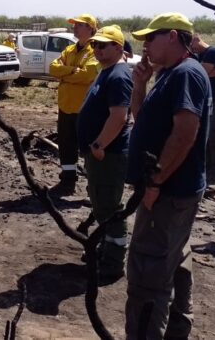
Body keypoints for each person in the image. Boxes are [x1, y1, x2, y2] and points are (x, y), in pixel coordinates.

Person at [124, 13, 210, 340]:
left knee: (148, 274)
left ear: (173, 36)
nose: (144, 45)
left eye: (151, 38)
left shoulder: (186, 74)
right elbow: (142, 119)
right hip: (170, 191)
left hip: (168, 192)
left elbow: (185, 133)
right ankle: (177, 331)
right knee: (176, 259)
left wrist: (156, 182)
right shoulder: (169, 75)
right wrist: (140, 86)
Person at [76, 25, 132, 279]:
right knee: (100, 202)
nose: (96, 49)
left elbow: (119, 116)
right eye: (94, 45)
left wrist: (99, 145)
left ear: (118, 47)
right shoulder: (107, 72)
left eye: (102, 45)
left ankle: (113, 262)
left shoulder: (119, 76)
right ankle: (106, 248)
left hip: (108, 154)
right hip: (99, 152)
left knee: (109, 205)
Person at [47, 13, 100, 195]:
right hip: (65, 105)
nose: (75, 27)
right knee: (66, 145)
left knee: (87, 148)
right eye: (74, 25)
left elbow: (88, 74)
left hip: (85, 109)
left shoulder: (95, 50)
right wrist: (71, 71)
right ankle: (67, 181)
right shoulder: (69, 50)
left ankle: (92, 187)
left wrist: (65, 75)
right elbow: (53, 68)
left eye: (79, 25)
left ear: (90, 28)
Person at [190, 33, 215, 192]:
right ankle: (204, 176)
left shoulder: (213, 52)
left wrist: (206, 72)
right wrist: (208, 73)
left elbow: (199, 73)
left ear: (196, 38)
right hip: (206, 102)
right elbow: (199, 74)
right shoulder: (198, 55)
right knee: (204, 139)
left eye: (191, 42)